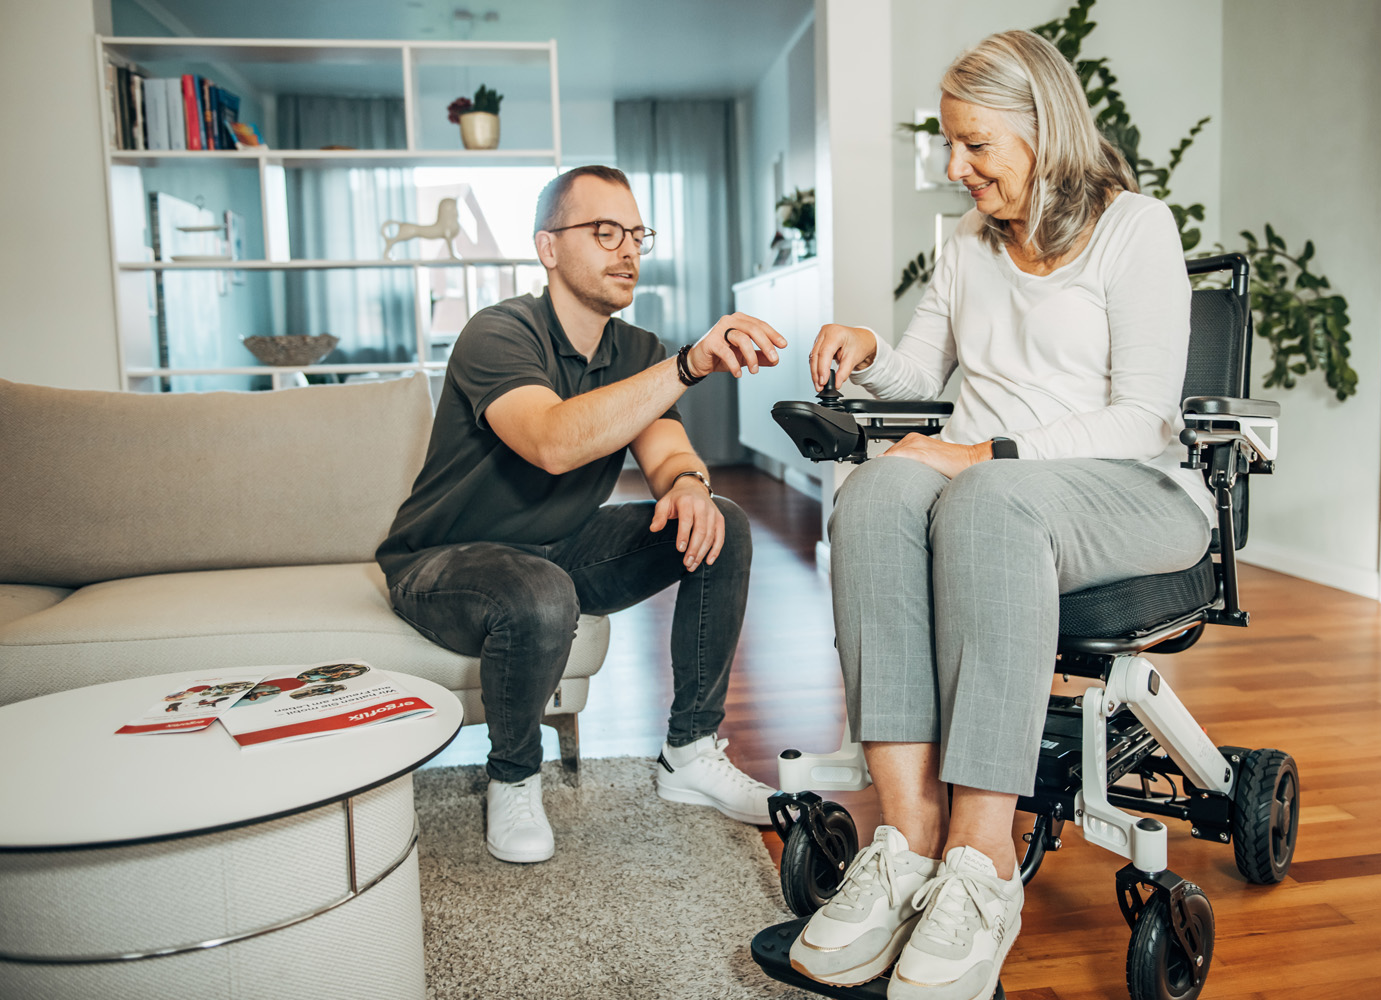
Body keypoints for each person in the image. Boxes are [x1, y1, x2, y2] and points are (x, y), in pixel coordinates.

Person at [787, 30, 1215, 1000]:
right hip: (999, 493)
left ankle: (981, 865)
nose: (955, 167)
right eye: (950, 145)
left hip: (1129, 492)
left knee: (981, 493)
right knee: (879, 487)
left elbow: (1142, 414)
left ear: (1041, 129)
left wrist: (985, 453)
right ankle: (904, 843)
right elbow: (917, 371)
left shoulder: (1132, 228)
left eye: (974, 144)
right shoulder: (968, 251)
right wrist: (864, 350)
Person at [377, 165, 787, 864]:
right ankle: (512, 774)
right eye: (604, 232)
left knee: (722, 522)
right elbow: (554, 442)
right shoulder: (496, 333)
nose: (627, 250)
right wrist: (688, 364)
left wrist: (687, 484)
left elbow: (666, 450)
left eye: (636, 234)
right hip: (444, 560)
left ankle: (689, 752)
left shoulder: (637, 351)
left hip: (557, 545)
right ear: (548, 247)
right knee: (540, 591)